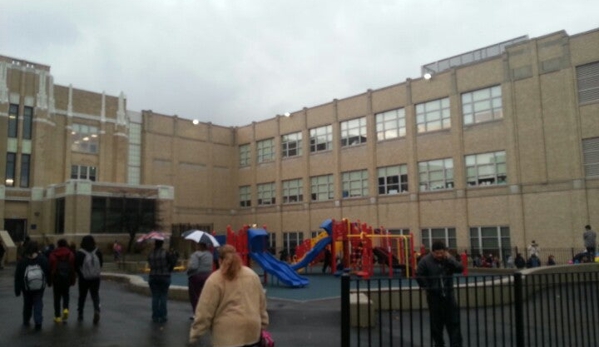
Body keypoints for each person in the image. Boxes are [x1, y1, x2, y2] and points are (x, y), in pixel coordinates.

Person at [189, 245, 269, 347]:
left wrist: (195, 334)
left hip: (227, 335)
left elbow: (205, 310)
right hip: (252, 331)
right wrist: (263, 323)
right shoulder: (252, 275)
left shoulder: (215, 279)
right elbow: (261, 303)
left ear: (220, 260)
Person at [416, 240, 463, 347]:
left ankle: (456, 344)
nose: (439, 255)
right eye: (436, 253)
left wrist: (450, 259)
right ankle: (439, 344)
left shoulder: (448, 260)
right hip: (434, 297)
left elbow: (460, 268)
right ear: (432, 252)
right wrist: (428, 287)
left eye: (441, 253)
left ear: (445, 252)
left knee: (454, 322)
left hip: (449, 295)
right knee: (436, 325)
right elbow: (419, 274)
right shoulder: (425, 261)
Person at [14, 240, 50, 331]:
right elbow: (47, 271)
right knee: (38, 302)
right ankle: (38, 321)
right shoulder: (42, 259)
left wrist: (17, 289)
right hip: (39, 286)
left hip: (26, 287)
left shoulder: (23, 261)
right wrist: (49, 282)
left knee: (27, 303)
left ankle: (26, 319)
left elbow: (18, 276)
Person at [76, 235, 103, 324]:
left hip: (84, 278)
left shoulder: (80, 253)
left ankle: (80, 313)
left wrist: (80, 274)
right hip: (95, 278)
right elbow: (101, 264)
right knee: (95, 295)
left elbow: (76, 265)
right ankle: (96, 310)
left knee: (82, 296)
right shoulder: (97, 251)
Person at [49, 238, 76, 323]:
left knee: (57, 297)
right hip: (67, 278)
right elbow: (72, 267)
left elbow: (50, 266)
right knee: (66, 294)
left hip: (57, 278)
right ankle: (65, 309)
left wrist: (50, 279)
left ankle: (57, 316)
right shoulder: (70, 254)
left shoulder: (53, 254)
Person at [147, 239, 175, 323]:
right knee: (163, 296)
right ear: (162, 244)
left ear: (155, 244)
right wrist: (169, 269)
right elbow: (172, 263)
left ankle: (155, 315)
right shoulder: (165, 253)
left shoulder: (151, 254)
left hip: (153, 276)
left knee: (155, 296)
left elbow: (150, 264)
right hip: (164, 276)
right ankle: (163, 315)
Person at [186, 242, 213, 319]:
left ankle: (197, 313)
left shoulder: (196, 254)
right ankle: (205, 312)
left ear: (199, 245)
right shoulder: (210, 255)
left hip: (196, 276)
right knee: (205, 295)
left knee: (194, 295)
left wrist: (188, 269)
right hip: (207, 276)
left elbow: (193, 267)